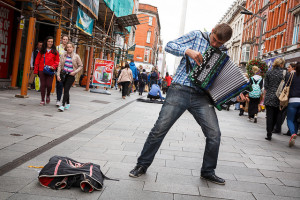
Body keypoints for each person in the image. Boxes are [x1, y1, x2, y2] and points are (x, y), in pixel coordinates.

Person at [129, 24, 236, 185]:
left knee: (214, 134)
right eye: (214, 40)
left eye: (219, 44)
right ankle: (142, 165)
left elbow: (221, 77)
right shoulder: (196, 36)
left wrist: (236, 91)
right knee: (160, 129)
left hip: (202, 96)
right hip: (180, 89)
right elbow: (169, 45)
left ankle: (208, 171)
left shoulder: (223, 51)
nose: (215, 45)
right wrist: (188, 51)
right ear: (212, 31)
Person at [57, 42, 83, 111]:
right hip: (64, 74)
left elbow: (81, 66)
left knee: (66, 89)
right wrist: (58, 75)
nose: (69, 48)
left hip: (71, 76)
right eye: (68, 47)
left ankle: (62, 105)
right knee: (66, 90)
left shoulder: (76, 56)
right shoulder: (63, 55)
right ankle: (68, 103)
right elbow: (59, 65)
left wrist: (75, 72)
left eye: (70, 47)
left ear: (73, 48)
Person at [264, 58, 286, 140]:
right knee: (276, 116)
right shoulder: (284, 73)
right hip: (279, 98)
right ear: (281, 64)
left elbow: (266, 86)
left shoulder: (269, 72)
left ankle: (269, 133)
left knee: (269, 116)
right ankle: (272, 128)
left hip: (269, 96)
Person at [34, 36, 60, 106]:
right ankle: (42, 99)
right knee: (43, 85)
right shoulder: (42, 51)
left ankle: (48, 95)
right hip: (41, 69)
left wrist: (53, 66)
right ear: (46, 42)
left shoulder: (55, 52)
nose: (50, 43)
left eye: (51, 42)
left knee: (49, 85)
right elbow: (37, 61)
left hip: (50, 70)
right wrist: (36, 71)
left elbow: (57, 61)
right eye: (49, 41)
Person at [287, 62, 300, 147]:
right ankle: (294, 133)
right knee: (297, 120)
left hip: (293, 100)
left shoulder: (292, 75)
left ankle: (292, 134)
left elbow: (286, 86)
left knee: (290, 119)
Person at [55, 34, 69, 107]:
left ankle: (66, 101)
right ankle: (58, 100)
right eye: (64, 39)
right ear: (61, 39)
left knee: (66, 85)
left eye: (66, 39)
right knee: (59, 84)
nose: (65, 41)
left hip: (67, 69)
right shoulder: (57, 48)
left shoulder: (69, 48)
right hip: (59, 68)